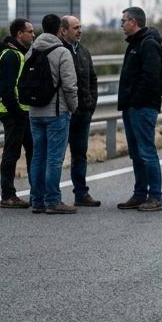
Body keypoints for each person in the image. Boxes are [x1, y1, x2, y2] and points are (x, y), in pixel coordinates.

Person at [27, 14, 79, 215]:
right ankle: (53, 200)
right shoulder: (61, 52)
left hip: (34, 112)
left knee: (38, 157)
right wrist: (73, 107)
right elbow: (69, 85)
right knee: (54, 159)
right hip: (56, 112)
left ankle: (37, 200)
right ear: (60, 30)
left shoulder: (31, 50)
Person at [118, 6, 162, 211]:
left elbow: (150, 78)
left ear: (134, 22)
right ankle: (140, 194)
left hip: (143, 107)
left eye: (123, 21)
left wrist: (136, 101)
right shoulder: (135, 43)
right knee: (137, 153)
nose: (121, 24)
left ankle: (155, 196)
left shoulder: (148, 44)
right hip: (132, 107)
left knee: (147, 152)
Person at [0, 18, 35, 208]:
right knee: (11, 154)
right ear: (19, 34)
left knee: (32, 152)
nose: (33, 35)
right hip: (13, 114)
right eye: (30, 31)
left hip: (23, 112)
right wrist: (18, 113)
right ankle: (7, 196)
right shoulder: (11, 55)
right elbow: (7, 89)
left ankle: (36, 192)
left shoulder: (21, 54)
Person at [60, 15, 99, 207]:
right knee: (56, 155)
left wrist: (90, 103)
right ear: (63, 30)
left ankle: (81, 193)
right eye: (75, 28)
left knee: (80, 154)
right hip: (63, 113)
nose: (80, 31)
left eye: (80, 27)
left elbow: (92, 80)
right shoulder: (58, 51)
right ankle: (49, 195)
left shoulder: (83, 51)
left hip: (83, 113)